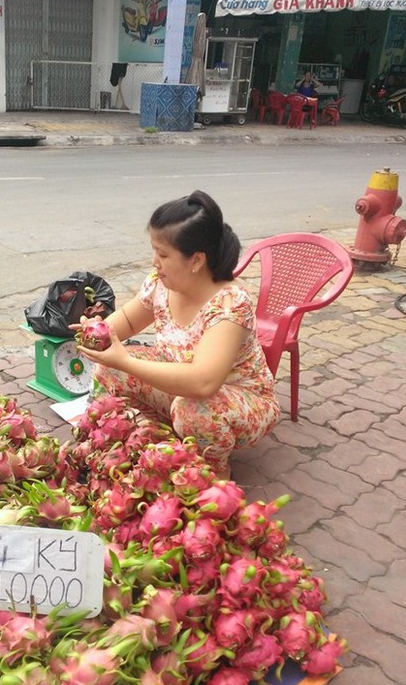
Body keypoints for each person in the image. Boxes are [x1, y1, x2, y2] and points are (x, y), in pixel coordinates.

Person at [74, 191, 280, 480]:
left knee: (193, 411)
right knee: (107, 367)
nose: (154, 262)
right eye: (154, 251)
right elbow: (127, 322)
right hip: (178, 383)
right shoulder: (161, 285)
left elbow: (203, 383)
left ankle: (213, 475)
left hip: (237, 398)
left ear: (196, 260)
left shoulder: (230, 303)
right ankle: (148, 442)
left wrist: (126, 361)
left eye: (163, 254)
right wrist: (95, 331)